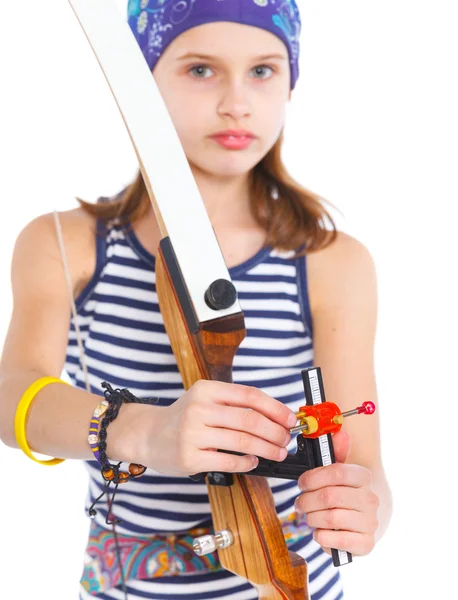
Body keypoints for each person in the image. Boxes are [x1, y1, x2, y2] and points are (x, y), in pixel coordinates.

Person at [0, 1, 393, 599]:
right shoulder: (64, 243)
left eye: (262, 70)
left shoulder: (331, 261)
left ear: (290, 82)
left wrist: (363, 512)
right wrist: (145, 432)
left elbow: (363, 462)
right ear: (141, 85)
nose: (236, 101)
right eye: (200, 69)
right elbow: (12, 401)